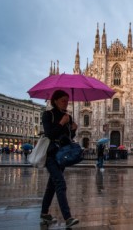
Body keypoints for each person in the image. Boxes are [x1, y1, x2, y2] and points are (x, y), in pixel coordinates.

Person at [40, 90, 79, 228]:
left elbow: (68, 139)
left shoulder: (67, 116)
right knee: (60, 183)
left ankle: (44, 213)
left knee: (52, 186)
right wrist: (62, 123)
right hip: (51, 155)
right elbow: (50, 134)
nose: (66, 103)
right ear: (55, 100)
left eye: (67, 100)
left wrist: (73, 129)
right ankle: (67, 217)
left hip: (62, 155)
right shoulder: (47, 115)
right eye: (63, 100)